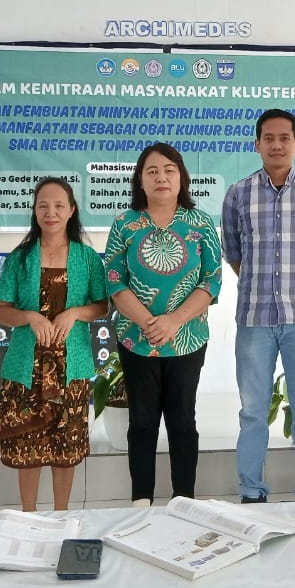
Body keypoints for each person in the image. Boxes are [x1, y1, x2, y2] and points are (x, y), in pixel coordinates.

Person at [222, 109, 295, 502]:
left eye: (284, 138)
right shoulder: (238, 194)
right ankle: (252, 490)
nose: (276, 144)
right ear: (256, 145)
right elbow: (234, 254)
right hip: (254, 319)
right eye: (268, 138)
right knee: (253, 413)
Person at [104, 143, 221, 505]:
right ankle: (141, 501)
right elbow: (114, 280)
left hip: (187, 339)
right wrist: (147, 322)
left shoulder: (200, 223)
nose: (161, 177)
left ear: (181, 177)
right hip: (137, 341)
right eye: (152, 171)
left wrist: (173, 321)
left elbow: (212, 280)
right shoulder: (125, 224)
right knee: (141, 423)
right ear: (140, 180)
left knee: (183, 421)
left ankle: (183, 499)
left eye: (169, 170)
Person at [0, 178, 107, 511]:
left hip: (73, 366)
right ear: (35, 211)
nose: (50, 212)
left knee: (65, 449)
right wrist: (30, 317)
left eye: (58, 205)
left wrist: (75, 313)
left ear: (71, 211)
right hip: (27, 366)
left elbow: (102, 305)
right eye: (43, 205)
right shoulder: (21, 258)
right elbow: (0, 310)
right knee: (27, 447)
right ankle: (28, 515)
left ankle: (60, 515)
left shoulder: (86, 258)